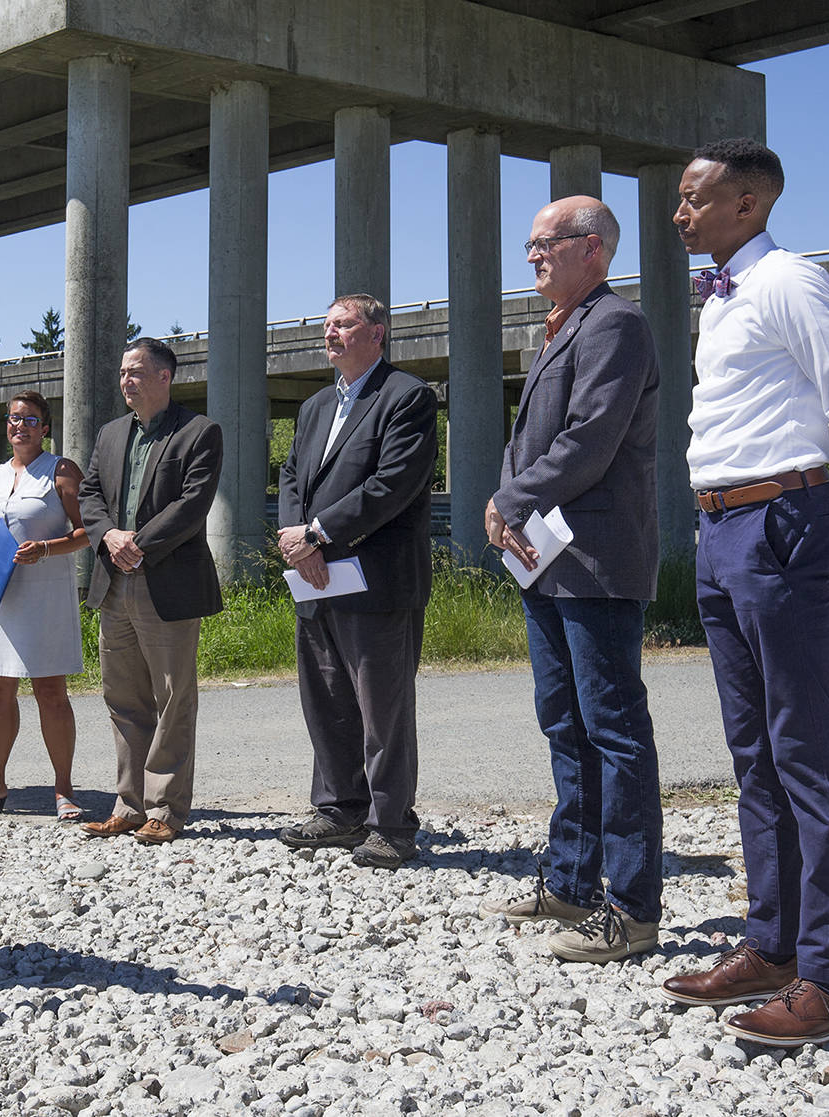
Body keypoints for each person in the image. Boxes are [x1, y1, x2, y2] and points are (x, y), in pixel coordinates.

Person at [657, 138, 829, 1047]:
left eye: (693, 198)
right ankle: (775, 943)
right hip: (721, 528)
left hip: (782, 520)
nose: (679, 213)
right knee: (753, 749)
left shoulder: (791, 280)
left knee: (806, 748)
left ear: (748, 204)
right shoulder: (722, 297)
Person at [479, 197, 664, 962]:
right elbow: (530, 442)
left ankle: (632, 905)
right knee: (564, 719)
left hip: (596, 561)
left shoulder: (615, 324)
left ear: (592, 248)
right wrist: (504, 497)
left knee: (613, 727)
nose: (531, 256)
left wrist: (509, 498)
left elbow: (591, 439)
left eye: (544, 243)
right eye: (528, 245)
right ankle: (572, 877)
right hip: (549, 561)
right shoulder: (557, 330)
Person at [274, 294, 439, 870]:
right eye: (327, 326)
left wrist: (318, 536)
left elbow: (394, 484)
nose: (331, 334)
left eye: (343, 325)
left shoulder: (407, 397)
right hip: (317, 579)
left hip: (377, 580)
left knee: (382, 709)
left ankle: (391, 825)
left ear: (378, 333)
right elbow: (292, 474)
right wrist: (298, 539)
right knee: (326, 700)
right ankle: (339, 809)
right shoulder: (317, 405)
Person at [75, 339, 223, 845]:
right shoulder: (112, 434)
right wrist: (108, 537)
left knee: (173, 697)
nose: (125, 381)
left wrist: (138, 543)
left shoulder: (199, 432)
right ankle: (130, 805)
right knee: (123, 698)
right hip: (114, 581)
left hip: (167, 583)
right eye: (121, 373)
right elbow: (90, 495)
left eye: (135, 372)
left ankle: (166, 809)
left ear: (165, 376)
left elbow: (192, 503)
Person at [0, 390, 86, 818]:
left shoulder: (61, 471)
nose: (20, 426)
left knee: (50, 691)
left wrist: (46, 549)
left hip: (45, 595)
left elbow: (90, 532)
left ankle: (64, 789)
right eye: (14, 419)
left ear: (45, 428)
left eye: (30, 420)